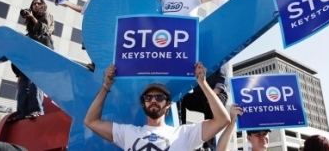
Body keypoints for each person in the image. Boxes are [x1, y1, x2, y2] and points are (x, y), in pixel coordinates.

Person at [144, 0, 254, 149]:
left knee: (212, 91)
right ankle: (179, 135)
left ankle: (210, 143)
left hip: (190, 53)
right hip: (170, 56)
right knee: (176, 97)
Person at [84, 62, 230, 150]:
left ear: (168, 104)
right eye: (148, 97)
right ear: (143, 103)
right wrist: (106, 86)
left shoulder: (184, 134)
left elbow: (222, 120)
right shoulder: (127, 133)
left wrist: (203, 83)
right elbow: (91, 121)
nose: (153, 100)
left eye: (159, 97)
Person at [58, 0, 119, 72]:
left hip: (109, 35)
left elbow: (115, 5)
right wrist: (66, 3)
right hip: (95, 35)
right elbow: (84, 10)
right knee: (96, 68)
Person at [8, 0, 54, 121]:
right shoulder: (30, 18)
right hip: (29, 53)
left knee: (34, 84)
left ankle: (36, 111)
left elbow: (44, 30)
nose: (36, 5)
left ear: (43, 5)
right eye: (34, 3)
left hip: (41, 52)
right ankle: (21, 113)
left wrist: (31, 18)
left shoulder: (47, 15)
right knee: (23, 87)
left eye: (39, 3)